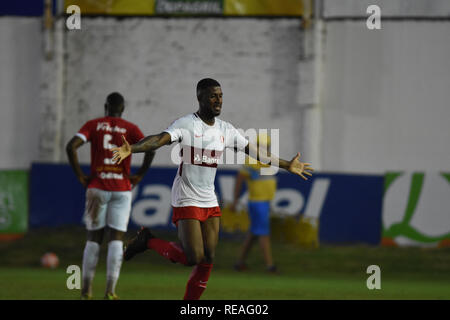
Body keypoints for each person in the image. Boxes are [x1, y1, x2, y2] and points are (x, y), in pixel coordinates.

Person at [111, 78, 313, 300]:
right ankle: (147, 241)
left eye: (220, 96)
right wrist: (134, 148)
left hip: (209, 199)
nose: (218, 100)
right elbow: (159, 140)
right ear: (200, 98)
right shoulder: (187, 124)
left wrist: (287, 165)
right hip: (186, 197)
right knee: (193, 256)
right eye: (212, 96)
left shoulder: (225, 129)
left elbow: (256, 152)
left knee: (208, 258)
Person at [66, 92, 155, 300]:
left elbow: (71, 146)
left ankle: (86, 291)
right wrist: (140, 174)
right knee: (116, 239)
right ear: (122, 109)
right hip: (121, 189)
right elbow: (150, 149)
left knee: (93, 239)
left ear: (106, 106)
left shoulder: (93, 125)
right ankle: (110, 291)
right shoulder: (130, 129)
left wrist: (80, 175)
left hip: (97, 187)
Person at [230, 133, 278, 273]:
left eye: (267, 146)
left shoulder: (267, 160)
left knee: (253, 234)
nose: (266, 148)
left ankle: (239, 263)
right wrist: (235, 201)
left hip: (264, 202)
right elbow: (239, 181)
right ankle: (270, 266)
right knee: (263, 234)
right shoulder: (250, 161)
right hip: (258, 202)